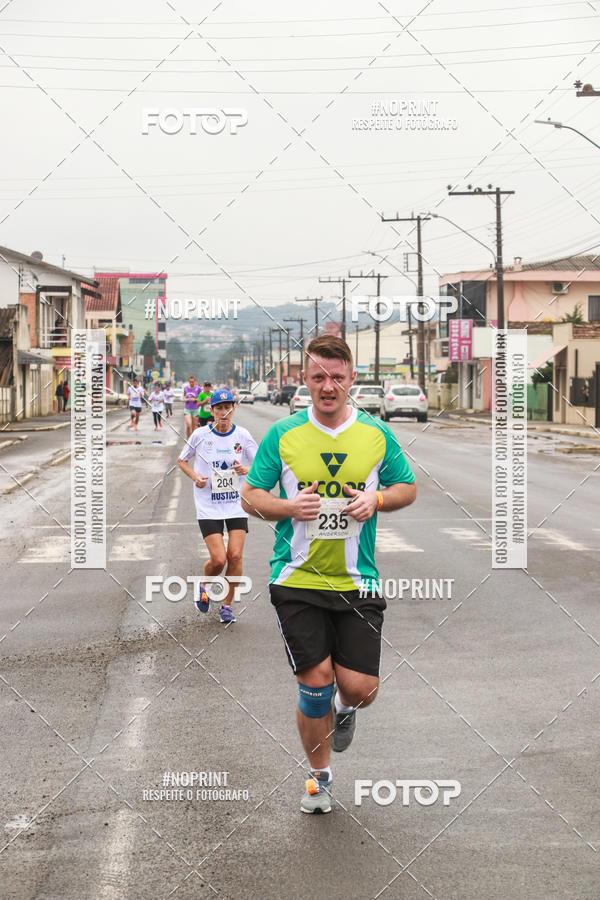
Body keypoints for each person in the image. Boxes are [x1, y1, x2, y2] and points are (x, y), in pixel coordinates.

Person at [242, 334, 417, 814]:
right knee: (316, 682)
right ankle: (319, 779)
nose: (327, 386)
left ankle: (344, 711)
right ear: (305, 379)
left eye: (337, 377)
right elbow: (251, 496)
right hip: (296, 579)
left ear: (351, 379)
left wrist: (376, 498)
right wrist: (289, 507)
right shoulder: (284, 434)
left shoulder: (376, 434)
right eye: (318, 376)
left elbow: (407, 487)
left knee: (360, 689)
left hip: (358, 581)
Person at [177, 388, 257, 624]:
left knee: (235, 556)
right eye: (219, 408)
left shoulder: (242, 435)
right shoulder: (200, 435)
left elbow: (261, 464)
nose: (224, 412)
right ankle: (204, 584)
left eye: (228, 407)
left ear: (234, 409)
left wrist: (246, 469)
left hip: (235, 504)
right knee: (219, 559)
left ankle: (226, 605)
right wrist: (195, 477)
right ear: (211, 411)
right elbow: (182, 460)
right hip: (208, 505)